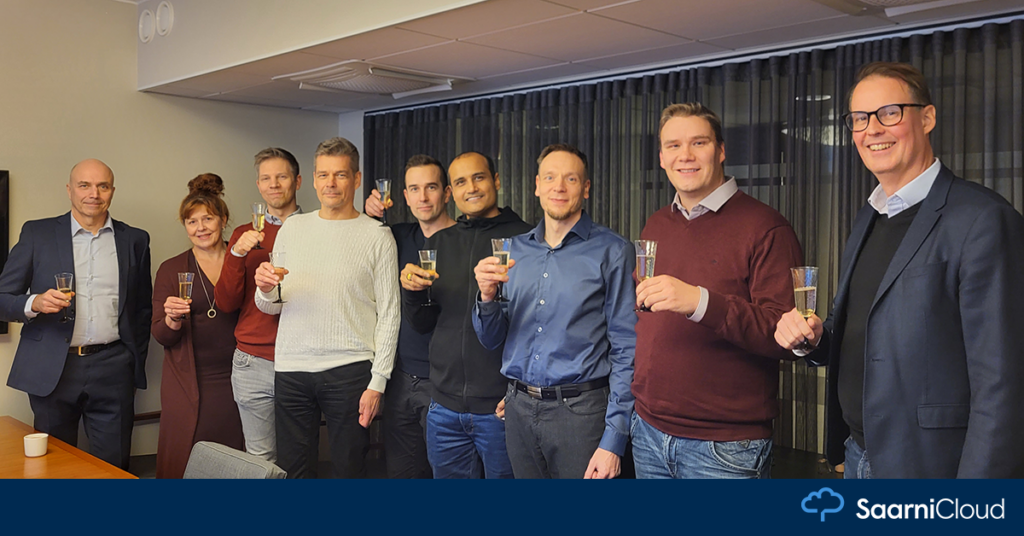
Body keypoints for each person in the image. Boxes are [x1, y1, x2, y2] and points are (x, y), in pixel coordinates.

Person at [774, 61, 1024, 478]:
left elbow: (1003, 382)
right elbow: (861, 329)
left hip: (931, 467)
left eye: (889, 113)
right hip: (857, 455)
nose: (872, 129)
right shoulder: (870, 215)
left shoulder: (983, 220)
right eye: (859, 118)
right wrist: (814, 339)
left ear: (927, 118)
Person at [631, 103, 803, 479]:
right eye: (673, 146)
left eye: (699, 142)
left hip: (723, 448)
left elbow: (785, 337)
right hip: (647, 431)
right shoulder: (657, 223)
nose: (685, 155)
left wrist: (699, 302)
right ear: (661, 158)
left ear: (721, 150)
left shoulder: (767, 228)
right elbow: (645, 318)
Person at [472, 144, 635, 479]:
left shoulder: (613, 251)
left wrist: (614, 438)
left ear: (585, 188)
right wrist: (486, 298)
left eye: (570, 179)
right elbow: (491, 340)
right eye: (550, 177)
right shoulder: (513, 251)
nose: (558, 187)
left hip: (582, 415)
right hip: (518, 410)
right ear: (537, 185)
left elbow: (627, 348)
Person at [255, 137, 399, 478]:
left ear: (357, 179)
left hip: (350, 370)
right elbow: (272, 305)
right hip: (291, 368)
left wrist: (378, 381)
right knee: (293, 472)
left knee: (349, 470)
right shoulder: (293, 227)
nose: (330, 183)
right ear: (313, 179)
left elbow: (391, 314)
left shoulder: (377, 236)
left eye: (340, 175)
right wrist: (265, 289)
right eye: (323, 175)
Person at [0, 159, 151, 469]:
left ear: (112, 191)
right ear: (69, 190)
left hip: (114, 367)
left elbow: (142, 309)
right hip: (53, 368)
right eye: (84, 185)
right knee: (54, 467)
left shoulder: (135, 239)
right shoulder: (37, 233)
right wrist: (35, 303)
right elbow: (2, 298)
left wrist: (132, 361)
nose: (93, 194)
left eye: (102, 186)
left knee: (113, 467)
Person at [403, 151, 532, 479]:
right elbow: (423, 325)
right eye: (461, 182)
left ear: (496, 181)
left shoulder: (527, 239)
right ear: (451, 191)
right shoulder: (440, 242)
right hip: (443, 407)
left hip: (501, 409)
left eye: (479, 177)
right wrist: (412, 293)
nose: (471, 188)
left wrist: (518, 393)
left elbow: (538, 327)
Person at [365, 154, 456, 479]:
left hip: (446, 383)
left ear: (446, 193)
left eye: (431, 187)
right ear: (404, 196)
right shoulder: (395, 236)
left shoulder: (466, 240)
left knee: (445, 474)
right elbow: (362, 243)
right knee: (401, 474)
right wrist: (369, 213)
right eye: (414, 189)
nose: (423, 197)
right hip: (401, 379)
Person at [152, 174, 244, 478]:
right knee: (188, 458)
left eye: (208, 218)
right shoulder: (171, 269)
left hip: (242, 377)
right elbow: (161, 335)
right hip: (189, 381)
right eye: (192, 221)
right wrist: (171, 319)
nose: (200, 227)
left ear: (224, 220)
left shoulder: (243, 260)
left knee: (239, 459)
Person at [214, 147, 303, 463]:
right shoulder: (243, 234)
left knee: (299, 455)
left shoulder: (315, 229)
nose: (273, 184)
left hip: (302, 359)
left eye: (281, 177)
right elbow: (225, 303)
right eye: (266, 178)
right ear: (258, 185)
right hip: (253, 361)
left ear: (297, 181)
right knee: (261, 458)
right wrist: (236, 253)